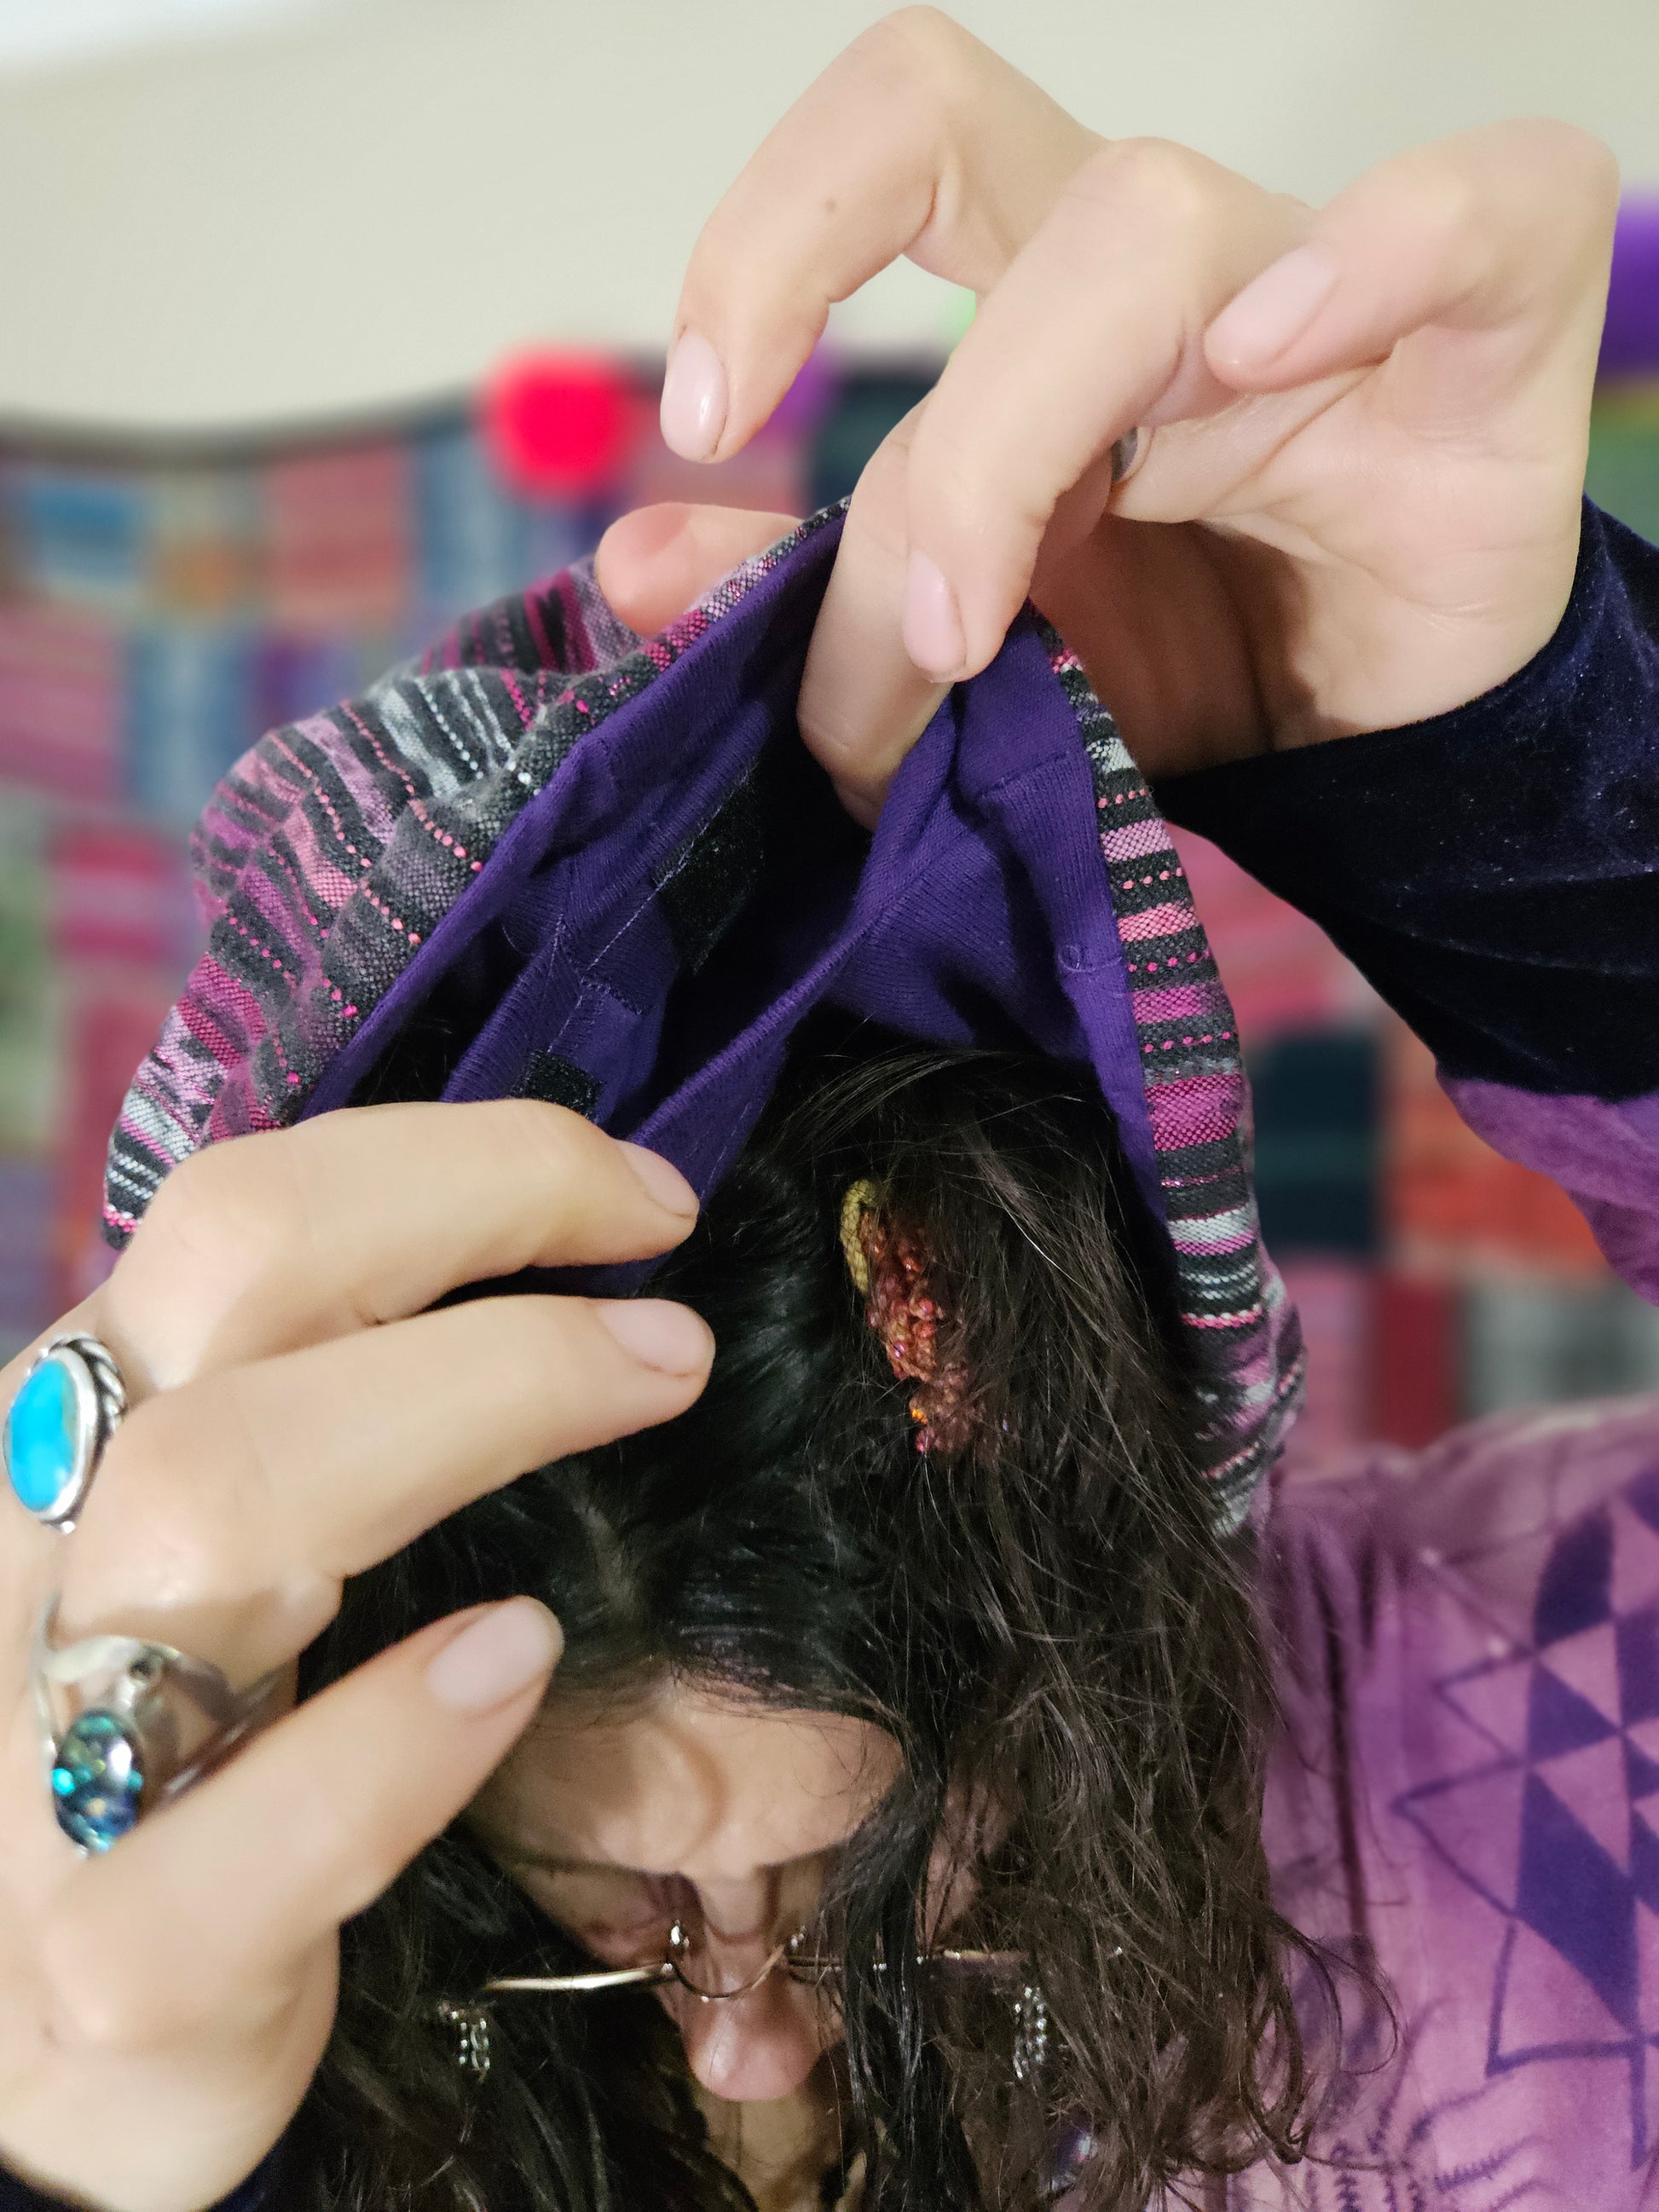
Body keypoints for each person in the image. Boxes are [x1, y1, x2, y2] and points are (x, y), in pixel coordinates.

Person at [2, 10, 1653, 2209]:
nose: (751, 2043)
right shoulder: (267, 2057)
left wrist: (1545, 824)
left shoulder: (1547, 1727)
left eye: (867, 1882)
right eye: (600, 1915)